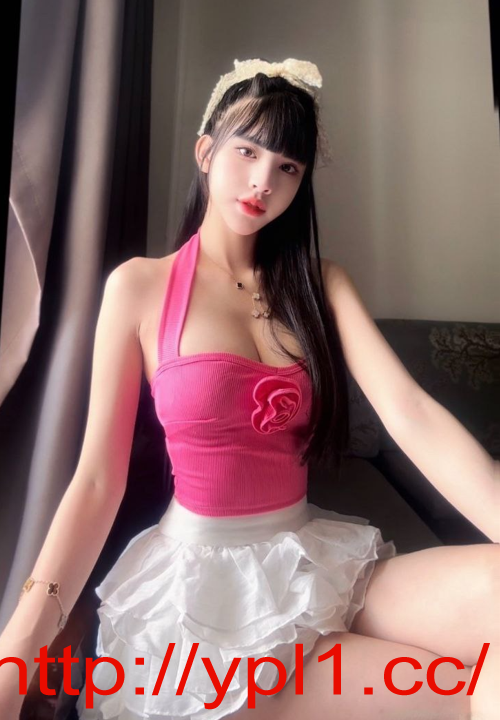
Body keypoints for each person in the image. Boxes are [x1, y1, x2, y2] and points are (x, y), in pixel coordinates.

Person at [0, 57, 498, 720]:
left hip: (312, 561)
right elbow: (96, 482)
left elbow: (411, 414)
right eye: (247, 151)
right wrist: (19, 647)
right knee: (458, 694)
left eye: (288, 167)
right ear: (206, 152)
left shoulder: (320, 284)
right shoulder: (140, 286)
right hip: (210, 596)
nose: (264, 180)